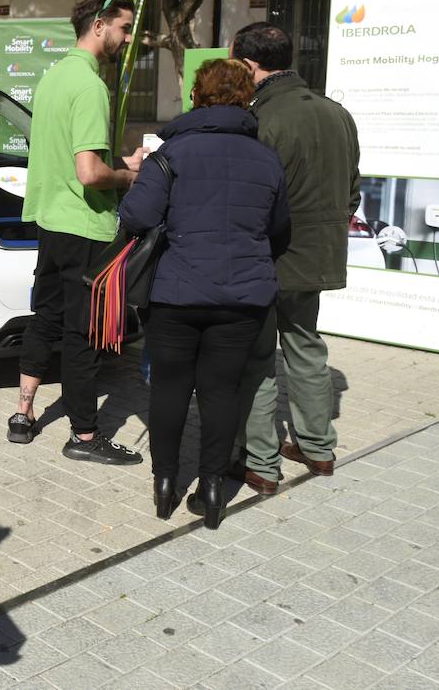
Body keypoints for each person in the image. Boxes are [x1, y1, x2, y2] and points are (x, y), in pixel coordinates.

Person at [118, 59, 289, 528]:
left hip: (176, 292)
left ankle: (165, 484)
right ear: (244, 100)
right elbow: (278, 227)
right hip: (244, 297)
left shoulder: (170, 155)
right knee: (222, 391)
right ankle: (213, 488)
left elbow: (136, 217)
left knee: (170, 389)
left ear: (197, 96)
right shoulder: (266, 157)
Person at [9, 0, 148, 464]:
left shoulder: (54, 77)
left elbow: (74, 159)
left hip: (50, 220)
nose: (126, 39)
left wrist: (114, 162)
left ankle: (23, 415)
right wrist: (129, 175)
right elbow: (89, 173)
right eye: (124, 28)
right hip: (85, 226)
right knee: (84, 334)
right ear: (99, 25)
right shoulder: (90, 86)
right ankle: (85, 437)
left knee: (45, 317)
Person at [230, 22, 361, 494]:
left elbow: (250, 197)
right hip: (317, 255)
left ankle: (262, 463)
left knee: (261, 355)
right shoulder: (336, 112)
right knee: (306, 345)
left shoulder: (260, 117)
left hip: (269, 255)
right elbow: (353, 191)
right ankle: (317, 447)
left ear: (248, 64)